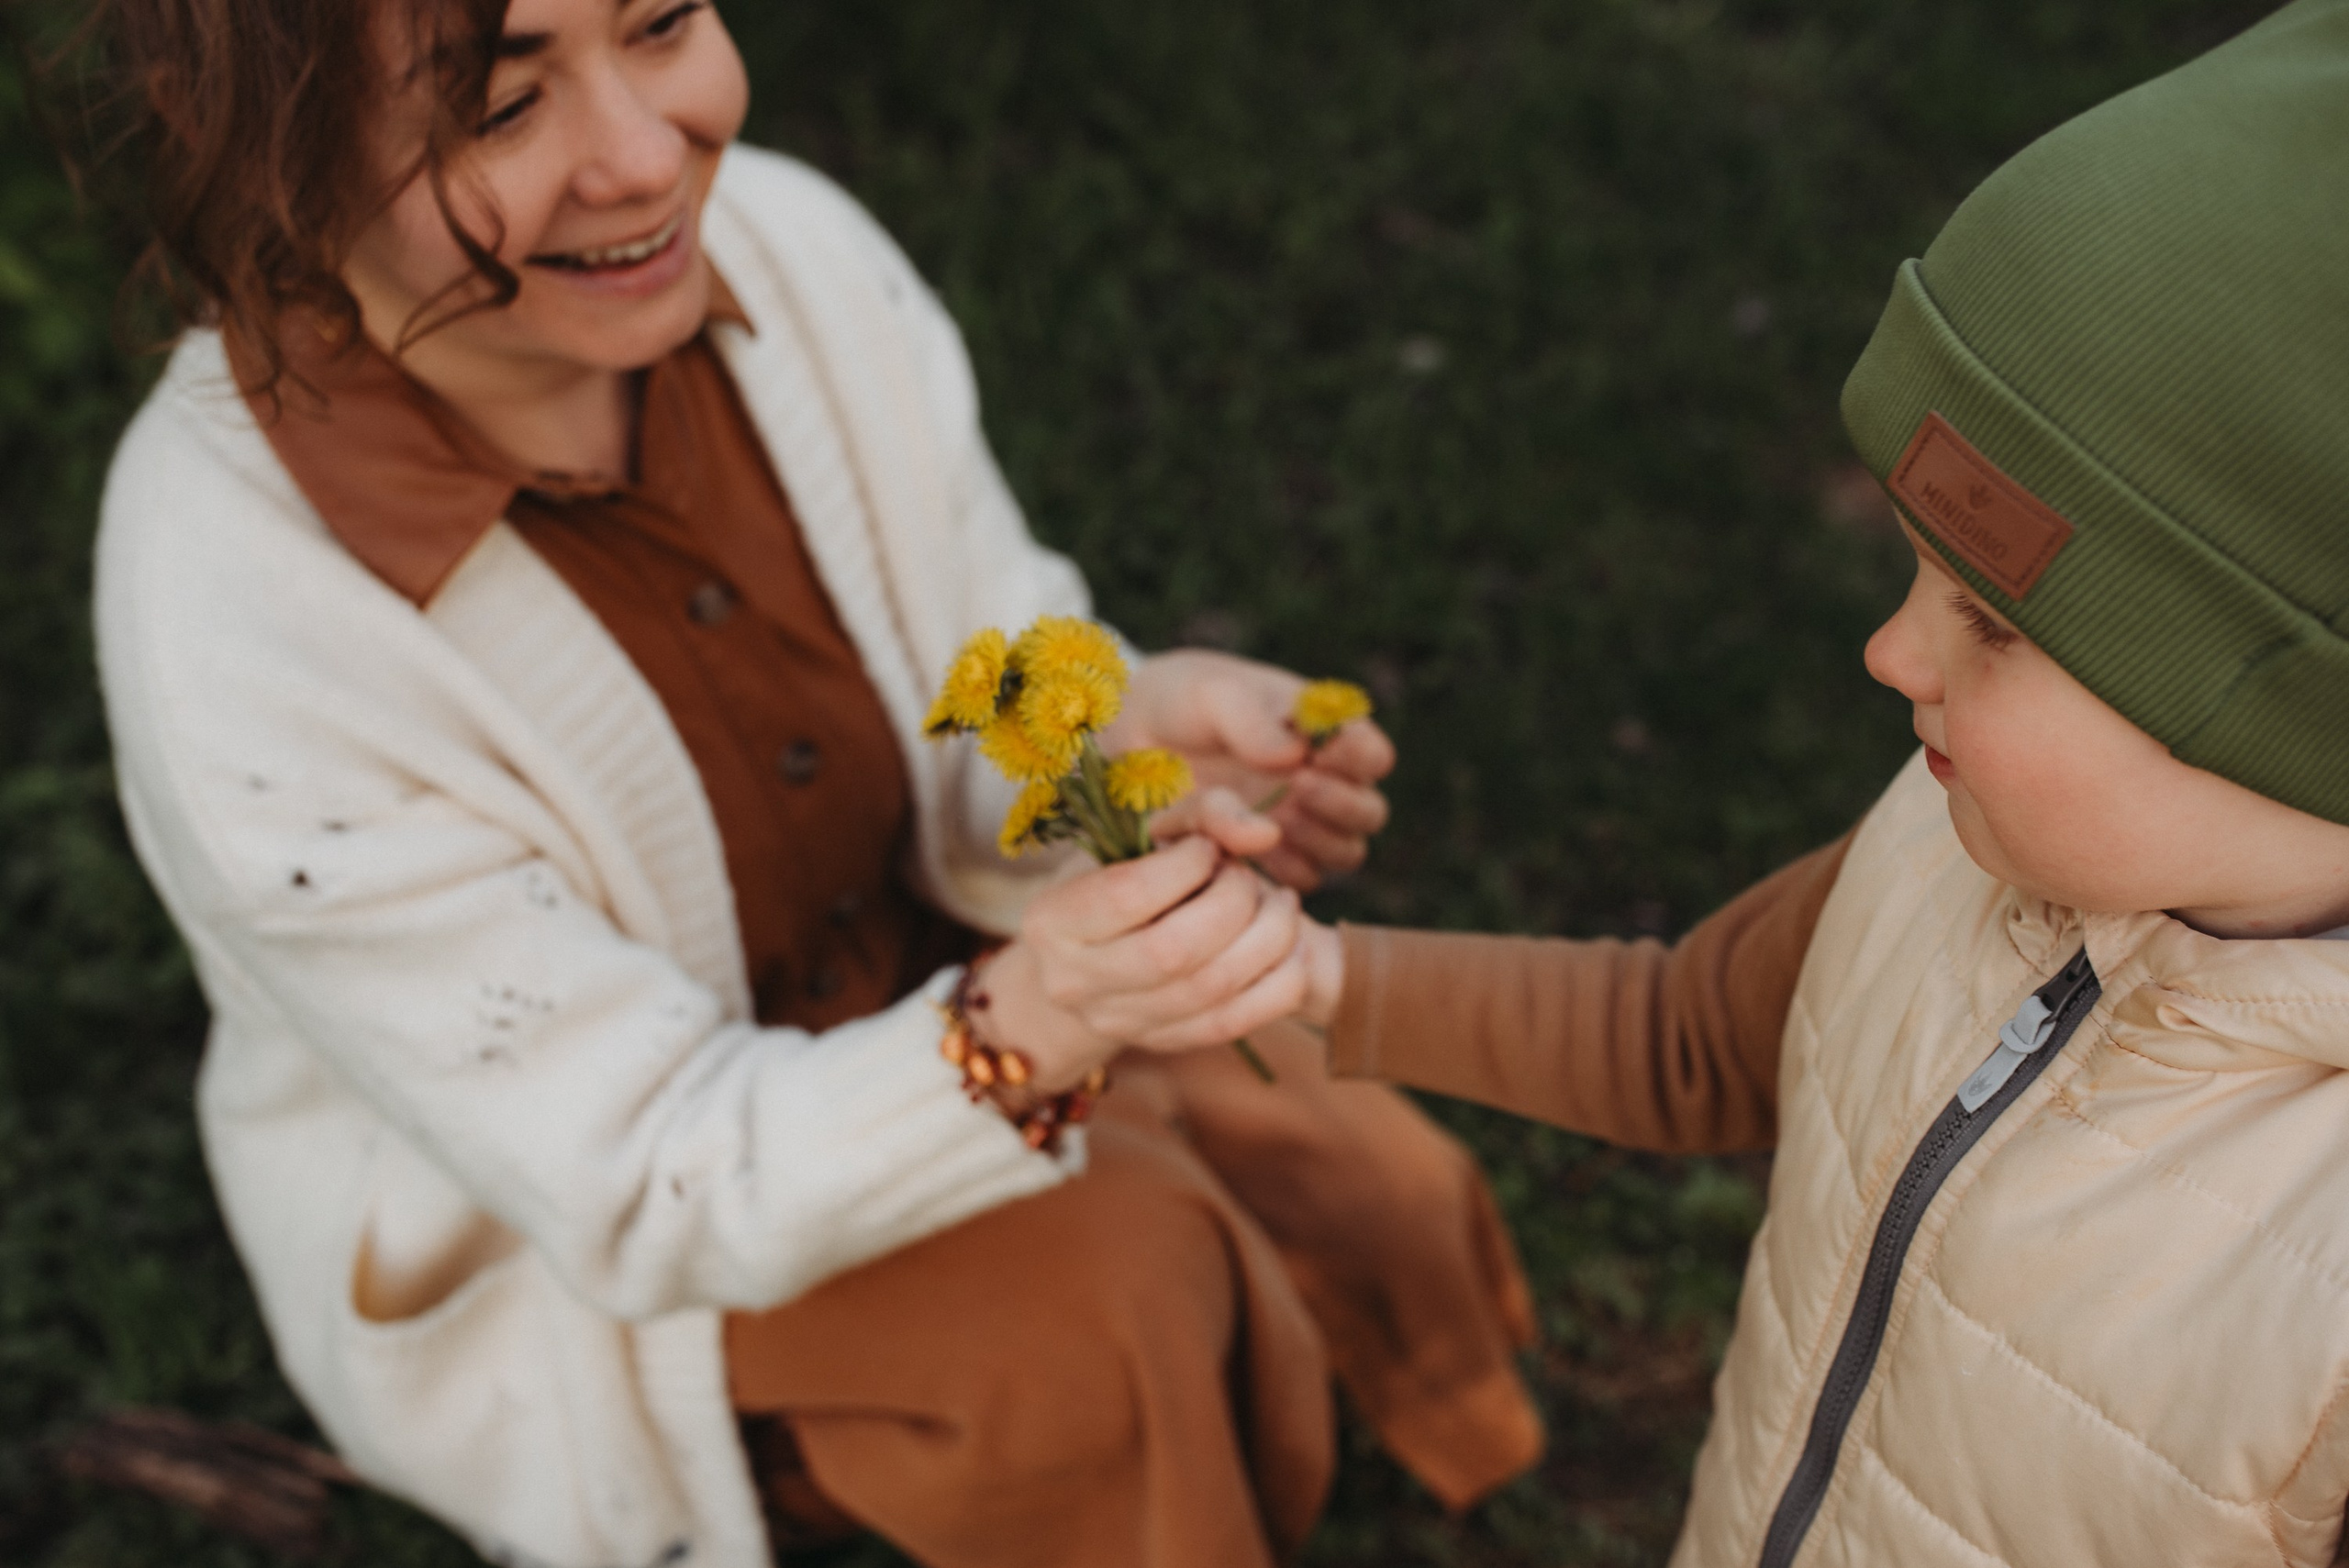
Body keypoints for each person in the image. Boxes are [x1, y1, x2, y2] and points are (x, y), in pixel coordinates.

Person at [85, 0, 1545, 1563]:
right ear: (262, 162)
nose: (647, 158)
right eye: (500, 110)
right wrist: (1025, 1034)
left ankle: (1439, 1435)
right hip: (594, 1230)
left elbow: (986, 650)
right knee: (1117, 1292)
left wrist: (1134, 734)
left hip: (935, 977)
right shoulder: (243, 623)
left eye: (661, 22)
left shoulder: (794, 253)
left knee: (1341, 1135)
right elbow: (644, 1177)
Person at [1285, 4, 2349, 1562]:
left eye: (1991, 619)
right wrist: (1307, 982)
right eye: (1911, 568)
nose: (1891, 652)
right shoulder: (1951, 836)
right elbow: (1694, 1031)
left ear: (2285, 721)